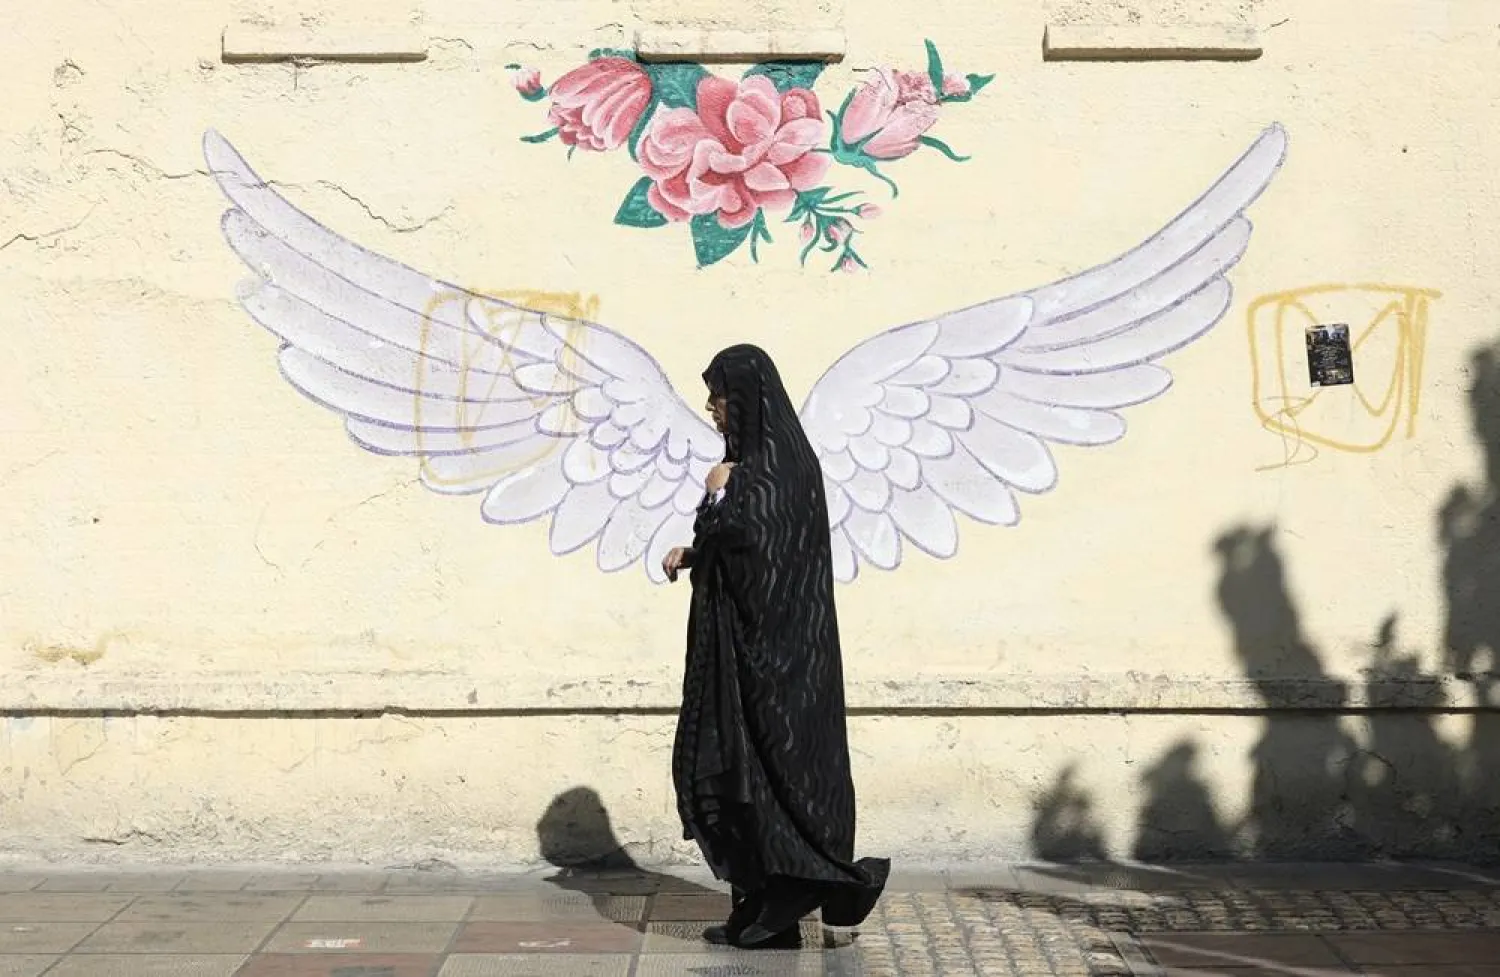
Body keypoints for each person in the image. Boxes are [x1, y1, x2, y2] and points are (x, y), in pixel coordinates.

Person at [662, 344, 890, 949]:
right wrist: (696, 550)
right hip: (743, 661)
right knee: (740, 775)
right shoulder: (756, 468)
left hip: (785, 666)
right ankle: (763, 908)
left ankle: (788, 898)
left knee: (783, 775)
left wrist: (715, 497)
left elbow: (757, 543)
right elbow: (738, 547)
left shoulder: (778, 470)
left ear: (751, 402)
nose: (712, 408)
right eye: (712, 396)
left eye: (722, 396)